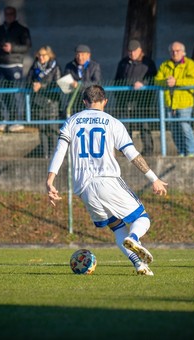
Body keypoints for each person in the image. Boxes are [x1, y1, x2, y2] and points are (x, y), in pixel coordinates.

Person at [46, 85, 168, 276]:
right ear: (105, 101)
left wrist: (50, 180)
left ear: (84, 102)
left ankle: (139, 265)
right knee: (141, 218)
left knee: (116, 226)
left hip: (83, 187)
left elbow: (60, 151)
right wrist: (154, 178)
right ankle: (135, 238)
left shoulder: (72, 121)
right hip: (107, 179)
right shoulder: (112, 122)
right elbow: (131, 154)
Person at [0, 6, 32, 133]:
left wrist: (12, 48)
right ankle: (4, 119)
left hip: (15, 65)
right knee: (3, 94)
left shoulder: (22, 30)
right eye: (6, 14)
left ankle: (18, 120)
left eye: (11, 14)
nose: (9, 16)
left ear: (15, 15)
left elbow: (27, 46)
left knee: (17, 94)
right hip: (0, 66)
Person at [155, 41, 194, 157]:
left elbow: (193, 81)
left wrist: (176, 82)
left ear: (183, 52)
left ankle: (191, 152)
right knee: (174, 130)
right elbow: (157, 80)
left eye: (177, 51)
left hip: (184, 103)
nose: (175, 53)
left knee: (185, 127)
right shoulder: (165, 65)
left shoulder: (190, 64)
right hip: (169, 103)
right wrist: (166, 82)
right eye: (172, 51)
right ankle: (181, 151)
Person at [114, 39, 157, 156]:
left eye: (134, 51)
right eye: (129, 51)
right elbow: (117, 80)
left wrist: (143, 84)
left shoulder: (148, 63)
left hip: (142, 101)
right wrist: (119, 96)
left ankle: (148, 150)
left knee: (144, 125)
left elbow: (153, 79)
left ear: (140, 51)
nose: (132, 54)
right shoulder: (123, 63)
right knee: (126, 127)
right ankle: (127, 151)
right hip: (125, 101)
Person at [27, 45, 62, 158]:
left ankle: (54, 154)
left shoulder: (55, 67)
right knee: (42, 129)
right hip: (38, 102)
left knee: (52, 129)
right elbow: (28, 79)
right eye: (39, 55)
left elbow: (57, 83)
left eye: (44, 55)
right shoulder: (34, 66)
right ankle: (45, 154)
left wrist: (41, 85)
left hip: (52, 102)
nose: (41, 58)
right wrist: (32, 84)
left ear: (49, 56)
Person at [63, 44, 102, 112]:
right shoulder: (69, 66)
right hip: (74, 98)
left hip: (90, 98)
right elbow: (65, 78)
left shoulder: (95, 66)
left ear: (88, 55)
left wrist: (79, 85)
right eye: (78, 55)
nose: (80, 57)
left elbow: (97, 82)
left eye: (82, 55)